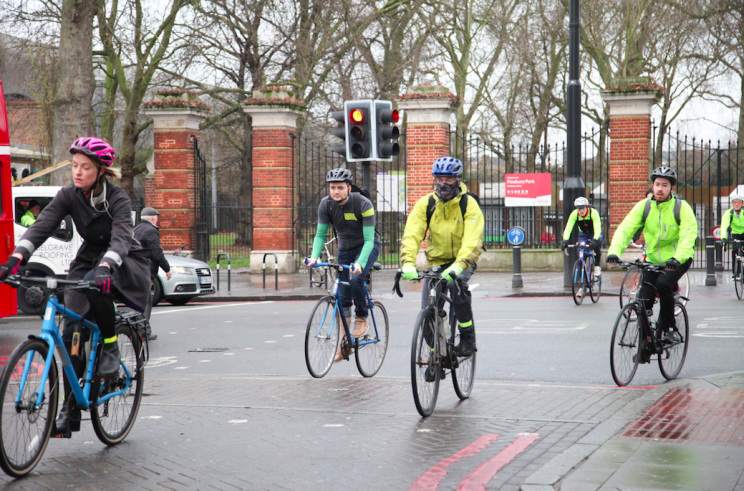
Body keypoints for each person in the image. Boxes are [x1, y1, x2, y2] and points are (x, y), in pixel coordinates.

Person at [0, 137, 151, 438]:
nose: (77, 172)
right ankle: (70, 411)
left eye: (85, 167)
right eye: (74, 166)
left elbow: (121, 236)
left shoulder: (117, 198)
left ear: (100, 170)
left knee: (98, 288)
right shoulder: (68, 195)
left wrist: (107, 265)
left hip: (120, 258)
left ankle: (109, 343)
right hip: (87, 258)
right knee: (71, 333)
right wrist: (15, 258)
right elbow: (42, 225)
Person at [399, 157, 484, 359]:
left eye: (448, 178)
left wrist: (458, 265)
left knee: (457, 287)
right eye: (439, 178)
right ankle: (436, 354)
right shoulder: (426, 204)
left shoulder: (468, 204)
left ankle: (466, 338)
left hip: (462, 260)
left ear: (457, 179)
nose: (443, 183)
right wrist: (408, 263)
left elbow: (472, 239)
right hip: (436, 262)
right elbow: (412, 234)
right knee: (428, 309)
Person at [606, 167, 697, 344]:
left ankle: (669, 329)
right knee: (643, 297)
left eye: (664, 185)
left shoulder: (681, 208)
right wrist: (614, 252)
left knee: (664, 284)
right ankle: (644, 342)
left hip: (678, 259)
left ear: (672, 188)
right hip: (653, 259)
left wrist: (677, 258)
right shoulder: (644, 206)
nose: (660, 189)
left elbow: (688, 235)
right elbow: (626, 228)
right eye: (657, 185)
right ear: (652, 186)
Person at [304, 168, 381, 362]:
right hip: (345, 249)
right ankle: (345, 343)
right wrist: (314, 257)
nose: (336, 191)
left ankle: (362, 318)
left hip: (366, 246)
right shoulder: (326, 205)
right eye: (332, 187)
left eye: (340, 187)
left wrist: (360, 264)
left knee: (356, 279)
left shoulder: (363, 204)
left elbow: (370, 240)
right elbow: (321, 235)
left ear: (349, 187)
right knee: (342, 295)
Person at [134, 206, 172, 337]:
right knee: (145, 302)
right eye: (156, 218)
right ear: (153, 218)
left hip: (134, 269)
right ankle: (143, 331)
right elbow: (156, 252)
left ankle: (141, 330)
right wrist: (167, 269)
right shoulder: (151, 230)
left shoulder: (136, 229)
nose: (157, 220)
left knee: (139, 301)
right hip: (145, 271)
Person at [561, 197, 604, 297]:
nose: (581, 210)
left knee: (596, 245)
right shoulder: (574, 214)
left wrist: (595, 240)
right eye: (578, 208)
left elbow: (598, 227)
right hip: (583, 234)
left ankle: (597, 266)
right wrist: (565, 240)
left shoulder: (593, 213)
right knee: (581, 255)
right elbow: (568, 228)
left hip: (595, 232)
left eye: (582, 208)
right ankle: (582, 286)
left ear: (586, 207)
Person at [721, 194, 744, 279]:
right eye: (734, 202)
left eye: (738, 202)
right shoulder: (729, 213)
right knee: (735, 251)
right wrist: (723, 238)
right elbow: (724, 226)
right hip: (736, 234)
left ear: (742, 204)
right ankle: (736, 272)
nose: (736, 204)